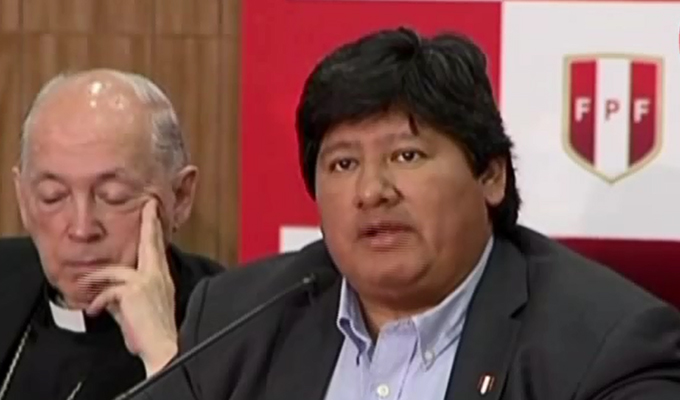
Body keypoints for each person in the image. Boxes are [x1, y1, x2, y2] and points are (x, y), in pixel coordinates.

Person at [140, 28, 680, 400]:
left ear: (491, 175)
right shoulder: (235, 318)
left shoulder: (607, 347)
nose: (371, 192)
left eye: (406, 156)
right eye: (344, 163)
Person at [0, 69, 222, 400]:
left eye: (113, 196)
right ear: (22, 198)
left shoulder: (238, 323)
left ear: (180, 196)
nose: (82, 229)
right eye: (53, 196)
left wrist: (163, 354)